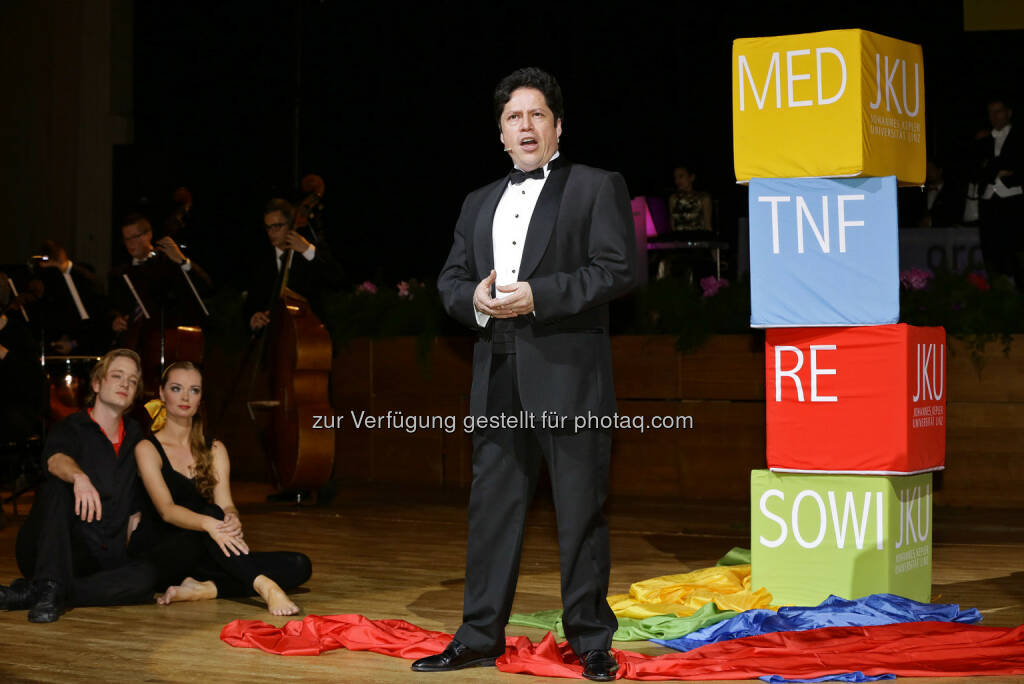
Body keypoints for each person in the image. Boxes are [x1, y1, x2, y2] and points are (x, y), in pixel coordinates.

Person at [418, 67, 637, 682]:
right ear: (501, 135)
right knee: (490, 513)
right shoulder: (477, 201)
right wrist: (475, 300)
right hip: (497, 375)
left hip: (570, 377)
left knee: (579, 514)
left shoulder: (597, 187)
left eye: (536, 114)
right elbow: (451, 280)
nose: (526, 126)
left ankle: (592, 640)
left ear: (558, 126)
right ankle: (479, 635)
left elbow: (618, 270)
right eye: (514, 118)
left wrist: (538, 295)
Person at [128, 361, 311, 615]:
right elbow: (167, 511)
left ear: (200, 396)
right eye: (176, 388)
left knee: (299, 565)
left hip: (204, 547)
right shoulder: (147, 448)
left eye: (194, 390)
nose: (185, 397)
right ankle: (267, 588)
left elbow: (225, 503)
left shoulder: (214, 449)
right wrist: (211, 522)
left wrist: (232, 518)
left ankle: (204, 589)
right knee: (213, 515)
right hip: (160, 553)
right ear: (161, 393)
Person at [1, 349, 157, 623]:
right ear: (97, 384)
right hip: (53, 547)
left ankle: (42, 592)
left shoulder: (135, 435)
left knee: (146, 579)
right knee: (57, 487)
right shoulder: (72, 427)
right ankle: (48, 582)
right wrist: (79, 477)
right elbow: (55, 460)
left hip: (99, 554)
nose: (125, 384)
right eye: (117, 376)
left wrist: (138, 512)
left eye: (132, 381)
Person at [243, 198, 343, 333]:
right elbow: (251, 304)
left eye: (277, 226)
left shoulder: (309, 250)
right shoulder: (261, 260)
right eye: (268, 227)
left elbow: (338, 280)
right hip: (274, 340)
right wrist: (253, 318)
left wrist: (307, 250)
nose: (271, 233)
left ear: (291, 225)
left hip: (311, 336)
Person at [109, 213, 212, 342]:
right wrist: (115, 319)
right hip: (135, 340)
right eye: (126, 239)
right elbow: (114, 306)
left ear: (148, 235)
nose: (130, 243)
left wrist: (182, 261)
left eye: (135, 237)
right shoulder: (120, 272)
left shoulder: (167, 262)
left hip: (171, 337)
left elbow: (205, 286)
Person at [29, 239, 106, 355]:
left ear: (59, 259)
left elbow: (98, 320)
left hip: (87, 346)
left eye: (49, 266)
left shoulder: (85, 278)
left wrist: (74, 343)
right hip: (58, 343)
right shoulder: (48, 279)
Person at [975, 97, 1022, 285]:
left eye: (999, 111)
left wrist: (994, 168)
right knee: (992, 254)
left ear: (1009, 113)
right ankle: (996, 297)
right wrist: (1000, 168)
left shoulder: (1019, 136)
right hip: (989, 200)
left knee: (1016, 252)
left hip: (1013, 199)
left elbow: (1018, 166)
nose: (994, 116)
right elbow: (974, 168)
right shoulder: (982, 140)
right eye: (991, 112)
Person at [668, 165, 713, 232]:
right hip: (679, 240)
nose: (677, 181)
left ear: (692, 177)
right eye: (675, 177)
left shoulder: (703, 198)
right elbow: (672, 225)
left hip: (699, 239)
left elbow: (707, 226)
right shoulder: (673, 199)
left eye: (680, 176)